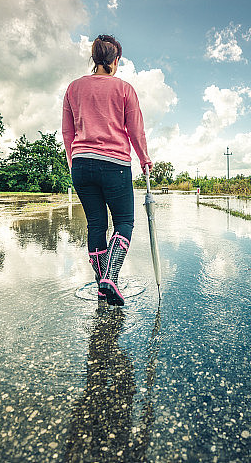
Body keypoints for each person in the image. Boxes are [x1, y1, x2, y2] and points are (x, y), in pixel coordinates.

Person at [62, 34, 153, 306]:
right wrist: (144, 159)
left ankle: (102, 285)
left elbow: (68, 132)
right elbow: (135, 130)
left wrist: (73, 160)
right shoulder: (124, 89)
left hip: (81, 164)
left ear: (94, 59)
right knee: (124, 222)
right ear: (115, 60)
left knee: (97, 225)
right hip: (115, 164)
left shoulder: (73, 89)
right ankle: (110, 278)